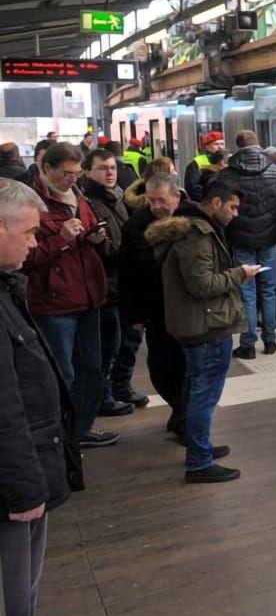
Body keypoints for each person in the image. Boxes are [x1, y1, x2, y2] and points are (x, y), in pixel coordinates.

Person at [0, 178, 84, 616]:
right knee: (15, 597)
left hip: (26, 473)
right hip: (16, 485)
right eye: (29, 233)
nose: (35, 244)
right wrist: (26, 489)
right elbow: (5, 408)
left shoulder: (8, 288)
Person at [146, 178, 260, 483]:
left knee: (200, 389)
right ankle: (198, 461)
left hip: (201, 321)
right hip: (206, 324)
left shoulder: (194, 228)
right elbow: (202, 285)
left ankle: (201, 447)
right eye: (232, 207)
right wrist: (241, 274)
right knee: (204, 394)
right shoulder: (197, 235)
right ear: (215, 203)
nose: (235, 214)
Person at [24, 143, 117, 449]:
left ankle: (80, 430)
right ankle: (59, 439)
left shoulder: (78, 197)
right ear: (46, 168)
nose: (72, 180)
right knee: (62, 373)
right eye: (66, 174)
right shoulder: (31, 204)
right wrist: (61, 239)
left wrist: (95, 237)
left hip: (89, 296)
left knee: (92, 368)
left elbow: (86, 235)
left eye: (76, 174)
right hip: (54, 304)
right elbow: (25, 259)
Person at [120, 173, 186, 441]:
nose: (156, 206)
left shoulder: (193, 220)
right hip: (155, 307)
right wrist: (133, 312)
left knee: (186, 367)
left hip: (187, 308)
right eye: (151, 200)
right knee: (159, 367)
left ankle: (186, 420)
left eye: (162, 200)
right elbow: (128, 271)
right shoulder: (136, 225)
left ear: (176, 197)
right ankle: (180, 409)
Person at [79, 148, 138, 418]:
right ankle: (103, 398)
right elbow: (103, 247)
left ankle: (120, 388)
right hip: (106, 286)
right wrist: (127, 249)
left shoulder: (117, 198)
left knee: (128, 341)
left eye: (113, 167)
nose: (110, 173)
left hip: (122, 284)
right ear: (88, 171)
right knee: (108, 347)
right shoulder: (88, 202)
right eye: (103, 168)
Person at [222, 130, 276, 360]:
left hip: (240, 240)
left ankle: (248, 344)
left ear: (237, 147)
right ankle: (270, 341)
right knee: (269, 291)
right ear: (258, 145)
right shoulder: (275, 171)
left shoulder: (229, 174)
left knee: (247, 292)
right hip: (269, 240)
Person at [184, 131, 224, 201]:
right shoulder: (196, 163)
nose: (220, 147)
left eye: (222, 144)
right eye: (216, 144)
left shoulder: (226, 160)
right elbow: (192, 188)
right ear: (207, 146)